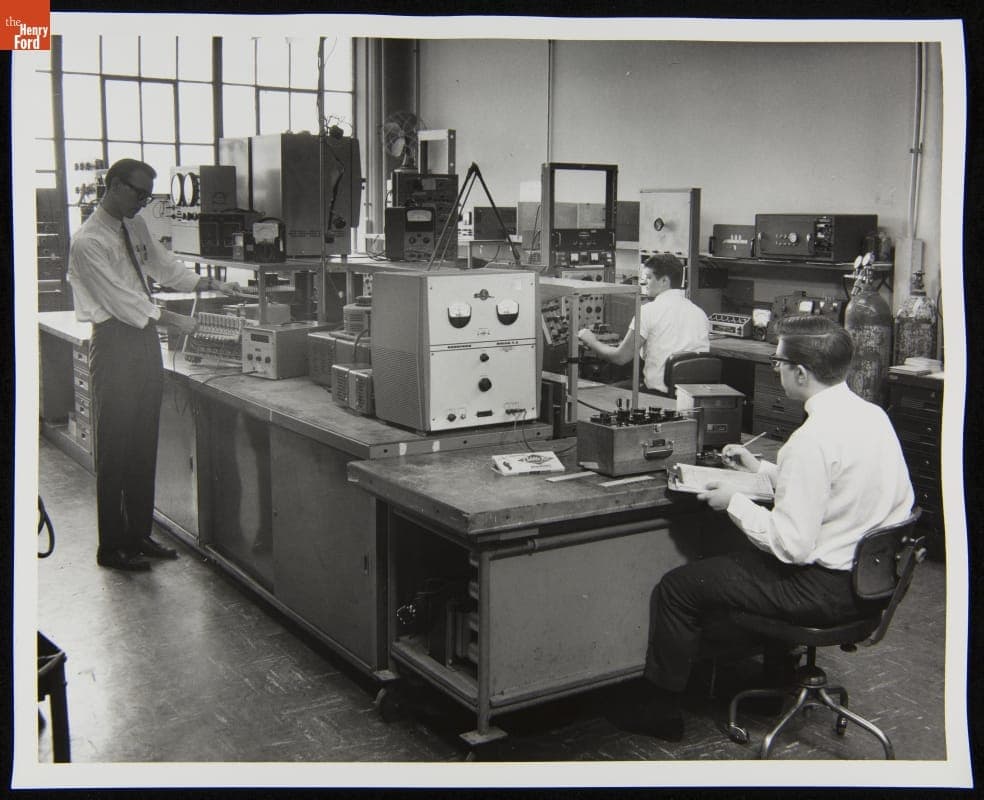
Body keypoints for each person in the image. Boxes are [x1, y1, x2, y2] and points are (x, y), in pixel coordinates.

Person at [618, 315, 914, 741]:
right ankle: (776, 679)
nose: (775, 368)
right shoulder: (873, 417)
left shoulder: (811, 441)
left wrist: (732, 502)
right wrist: (763, 470)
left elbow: (790, 546)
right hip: (869, 585)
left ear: (800, 372)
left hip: (822, 591)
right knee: (744, 565)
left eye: (778, 362)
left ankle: (659, 712)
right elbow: (839, 486)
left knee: (680, 587)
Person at [68, 158, 238, 571]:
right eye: (139, 194)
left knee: (144, 442)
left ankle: (139, 535)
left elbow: (163, 265)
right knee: (115, 450)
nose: (144, 203)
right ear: (113, 185)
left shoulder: (133, 225)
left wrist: (208, 282)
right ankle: (112, 547)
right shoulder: (88, 241)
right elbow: (122, 302)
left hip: (144, 343)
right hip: (113, 344)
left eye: (148, 196)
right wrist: (174, 319)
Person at [577, 253, 710, 394]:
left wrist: (591, 341)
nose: (644, 282)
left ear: (664, 280)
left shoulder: (648, 311)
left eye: (649, 278)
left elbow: (620, 357)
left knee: (598, 393)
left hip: (658, 397)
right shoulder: (700, 313)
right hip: (691, 397)